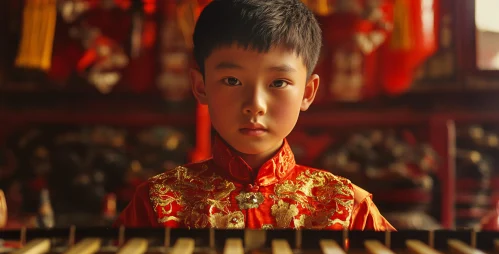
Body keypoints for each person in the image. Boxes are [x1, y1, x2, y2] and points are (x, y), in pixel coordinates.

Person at [114, 0, 395, 231]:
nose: (255, 105)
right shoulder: (157, 203)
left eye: (278, 83)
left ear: (308, 92)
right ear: (200, 87)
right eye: (232, 81)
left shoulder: (346, 207)